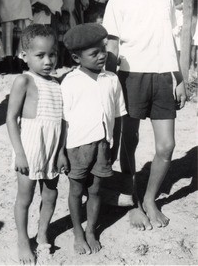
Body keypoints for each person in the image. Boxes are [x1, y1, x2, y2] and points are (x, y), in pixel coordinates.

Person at [103, 0, 187, 231]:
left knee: (166, 145)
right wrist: (108, 84)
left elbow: (172, 41)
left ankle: (150, 199)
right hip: (131, 77)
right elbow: (112, 47)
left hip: (163, 78)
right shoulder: (118, 1)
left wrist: (180, 79)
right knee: (129, 141)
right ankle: (135, 203)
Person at [58, 23, 127, 255]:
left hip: (103, 144)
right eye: (93, 53)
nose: (101, 56)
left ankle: (90, 231)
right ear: (77, 57)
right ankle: (78, 232)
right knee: (77, 190)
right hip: (77, 146)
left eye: (103, 50)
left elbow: (118, 116)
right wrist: (61, 152)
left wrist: (114, 145)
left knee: (96, 189)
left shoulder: (111, 79)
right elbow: (63, 121)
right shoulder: (69, 82)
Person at [6, 24, 63, 265]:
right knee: (25, 197)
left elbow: (62, 122)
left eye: (52, 54)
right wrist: (19, 153)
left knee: (50, 194)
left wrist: (60, 152)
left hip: (52, 146)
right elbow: (10, 118)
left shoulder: (58, 84)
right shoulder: (24, 81)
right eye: (40, 55)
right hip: (29, 147)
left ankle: (42, 234)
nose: (47, 61)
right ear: (24, 56)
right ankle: (22, 239)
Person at [0, 0, 32, 73]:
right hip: (7, 16)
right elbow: (4, 0)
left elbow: (24, 1)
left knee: (21, 41)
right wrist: (10, 15)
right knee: (7, 41)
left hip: (21, 15)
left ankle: (18, 64)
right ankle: (9, 66)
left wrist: (20, 15)